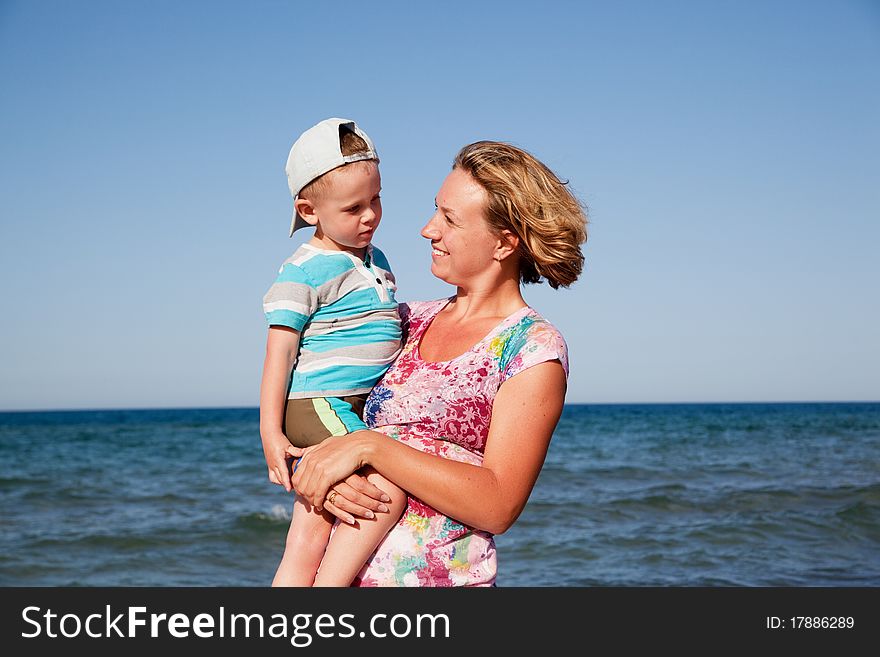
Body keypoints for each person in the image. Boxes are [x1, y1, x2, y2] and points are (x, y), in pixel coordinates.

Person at [288, 140, 588, 586]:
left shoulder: (531, 348)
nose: (428, 230)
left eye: (449, 219)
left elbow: (499, 503)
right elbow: (314, 408)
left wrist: (371, 447)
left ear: (504, 243)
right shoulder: (402, 321)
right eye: (436, 211)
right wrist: (315, 473)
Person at [259, 118, 408, 587]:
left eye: (376, 200)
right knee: (385, 491)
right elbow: (279, 355)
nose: (369, 216)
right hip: (317, 404)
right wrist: (270, 431)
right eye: (353, 208)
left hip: (346, 406)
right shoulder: (303, 270)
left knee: (311, 525)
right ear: (309, 210)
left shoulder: (375, 259)